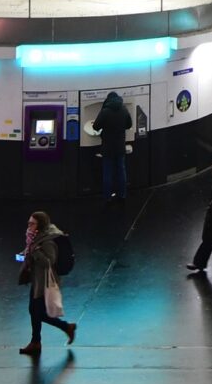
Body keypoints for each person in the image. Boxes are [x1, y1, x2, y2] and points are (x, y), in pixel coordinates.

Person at [19, 211, 79, 355]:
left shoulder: (47, 241)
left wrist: (35, 252)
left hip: (45, 282)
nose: (29, 226)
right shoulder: (35, 237)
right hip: (37, 279)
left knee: (36, 312)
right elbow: (32, 251)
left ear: (40, 225)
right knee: (34, 311)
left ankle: (43, 339)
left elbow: (48, 262)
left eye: (32, 223)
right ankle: (37, 341)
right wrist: (25, 254)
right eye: (29, 223)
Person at [93, 90, 133, 203]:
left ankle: (107, 197)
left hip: (107, 147)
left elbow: (95, 126)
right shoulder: (124, 109)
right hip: (120, 146)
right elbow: (129, 125)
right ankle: (122, 194)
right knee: (121, 170)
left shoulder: (105, 111)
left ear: (108, 100)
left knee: (107, 172)